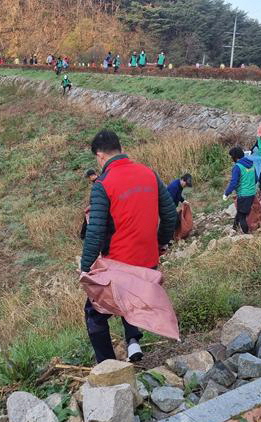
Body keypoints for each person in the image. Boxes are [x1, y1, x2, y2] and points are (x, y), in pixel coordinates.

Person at [80, 130, 177, 363]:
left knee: (95, 312)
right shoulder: (149, 174)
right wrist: (162, 242)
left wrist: (85, 269)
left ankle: (107, 365)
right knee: (132, 299)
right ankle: (133, 342)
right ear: (120, 148)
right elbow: (170, 214)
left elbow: (95, 232)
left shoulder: (103, 184)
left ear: (100, 156)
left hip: (120, 263)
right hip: (148, 259)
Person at [223, 147, 256, 234]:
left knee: (242, 216)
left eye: (231, 157)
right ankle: (235, 227)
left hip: (243, 194)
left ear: (235, 157)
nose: (231, 159)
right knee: (241, 211)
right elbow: (256, 178)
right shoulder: (252, 164)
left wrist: (226, 193)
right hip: (252, 193)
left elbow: (233, 183)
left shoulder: (237, 167)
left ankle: (246, 235)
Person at [79, 169, 99, 240]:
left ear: (92, 176)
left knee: (88, 222)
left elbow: (97, 197)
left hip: (96, 207)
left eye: (88, 177)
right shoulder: (98, 181)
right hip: (95, 206)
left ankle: (83, 237)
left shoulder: (97, 183)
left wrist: (90, 206)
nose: (88, 179)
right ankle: (84, 237)